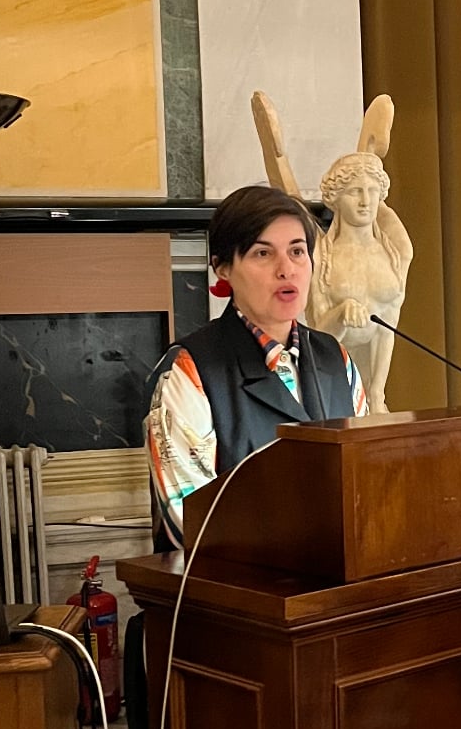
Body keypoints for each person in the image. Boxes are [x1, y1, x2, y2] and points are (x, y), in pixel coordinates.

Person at [144, 184, 368, 548]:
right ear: (223, 268)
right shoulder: (191, 368)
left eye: (297, 251)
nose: (286, 269)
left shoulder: (335, 358)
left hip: (334, 576)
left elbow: (366, 482)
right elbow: (188, 515)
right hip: (234, 579)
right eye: (263, 253)